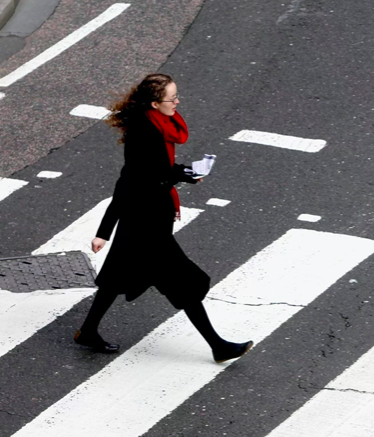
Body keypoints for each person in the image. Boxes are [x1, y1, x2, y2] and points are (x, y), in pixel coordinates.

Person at [73, 73, 253, 363]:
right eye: (172, 97)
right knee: (182, 283)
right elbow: (131, 180)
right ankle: (218, 345)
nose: (177, 101)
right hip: (146, 223)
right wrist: (104, 230)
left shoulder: (157, 123)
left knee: (117, 276)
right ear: (155, 103)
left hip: (146, 218)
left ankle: (88, 330)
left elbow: (158, 171)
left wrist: (185, 174)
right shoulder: (144, 132)